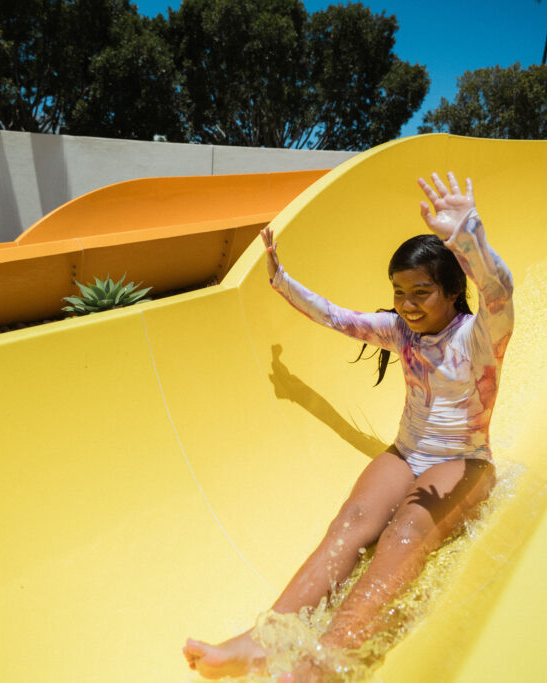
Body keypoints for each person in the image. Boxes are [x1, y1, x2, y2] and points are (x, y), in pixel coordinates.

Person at [183, 172, 514, 681]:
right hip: (407, 452)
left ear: (451, 292)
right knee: (353, 521)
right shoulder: (401, 331)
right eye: (399, 291)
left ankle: (326, 660)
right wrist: (281, 281)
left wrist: (467, 233)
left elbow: (498, 290)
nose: (406, 303)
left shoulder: (478, 337)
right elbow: (338, 318)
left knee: (404, 530)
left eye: (421, 291)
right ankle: (264, 640)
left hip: (463, 462)